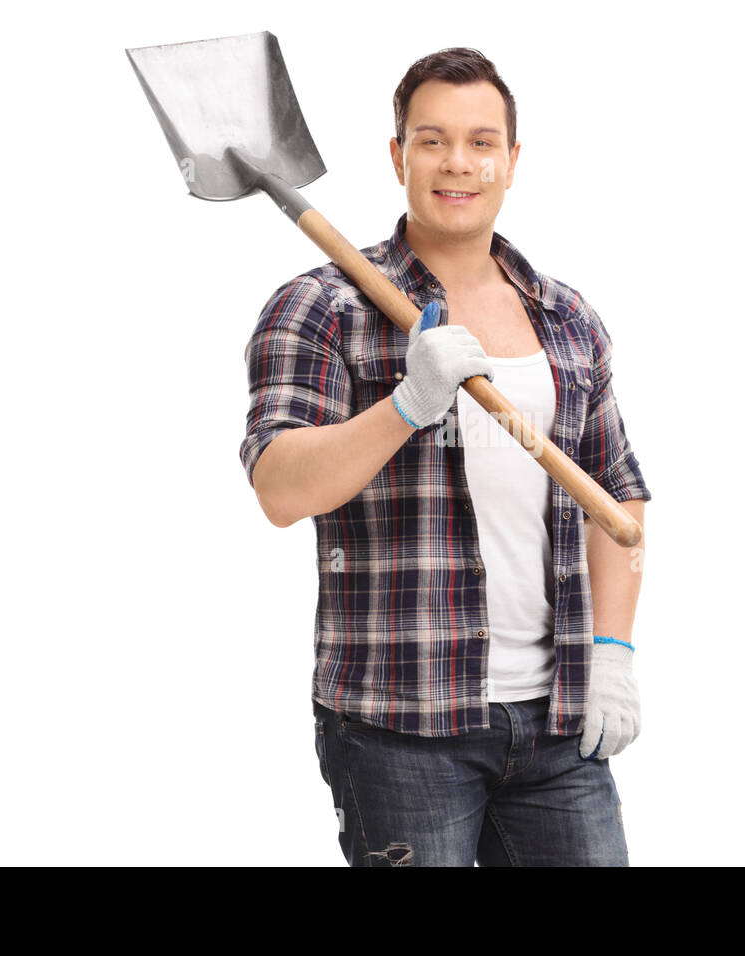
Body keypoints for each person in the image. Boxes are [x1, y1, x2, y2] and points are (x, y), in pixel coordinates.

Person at [239, 48, 652, 866]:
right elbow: (279, 488)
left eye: (480, 142)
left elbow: (619, 498)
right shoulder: (321, 307)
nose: (457, 163)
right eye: (431, 141)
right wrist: (404, 405)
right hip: (400, 723)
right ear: (397, 157)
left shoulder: (568, 318)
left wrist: (613, 652)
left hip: (558, 722)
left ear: (511, 160)